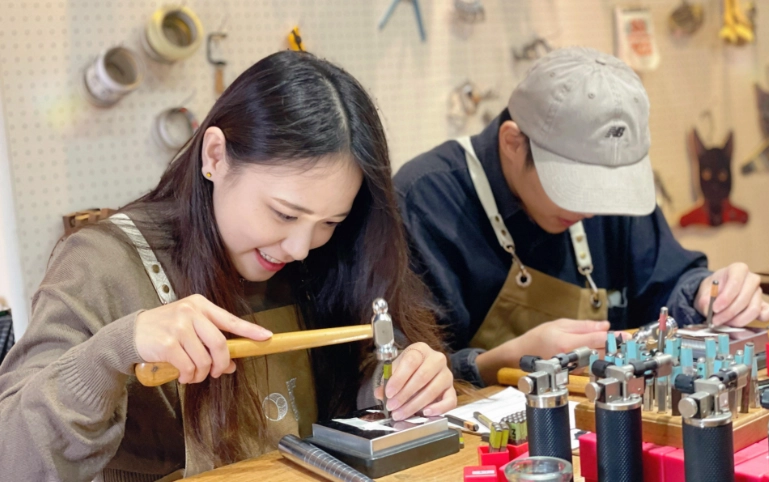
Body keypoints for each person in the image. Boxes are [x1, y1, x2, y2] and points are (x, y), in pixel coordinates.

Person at [0, 51, 456, 481]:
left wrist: (397, 385)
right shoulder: (102, 263)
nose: (300, 247)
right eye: (283, 214)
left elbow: (356, 374)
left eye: (330, 221)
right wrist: (114, 351)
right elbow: (13, 459)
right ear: (215, 156)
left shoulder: (323, 258)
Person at [394, 47, 769, 387]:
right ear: (513, 143)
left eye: (606, 188)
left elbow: (666, 283)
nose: (590, 210)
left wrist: (708, 292)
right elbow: (407, 376)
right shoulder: (426, 201)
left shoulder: (606, 198)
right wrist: (499, 362)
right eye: (574, 187)